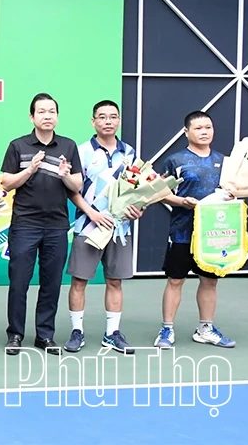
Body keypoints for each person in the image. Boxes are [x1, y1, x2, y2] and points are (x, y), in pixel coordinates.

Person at [0, 93, 82, 356]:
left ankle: (45, 335)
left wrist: (65, 175)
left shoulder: (68, 146)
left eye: (51, 111)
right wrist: (29, 170)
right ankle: (15, 334)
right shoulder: (18, 146)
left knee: (52, 283)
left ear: (57, 116)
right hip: (25, 224)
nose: (47, 116)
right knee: (19, 282)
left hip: (57, 226)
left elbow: (77, 185)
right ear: (31, 116)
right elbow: (5, 183)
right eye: (42, 112)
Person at [64, 100, 143, 354]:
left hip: (119, 228)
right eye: (102, 117)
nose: (108, 121)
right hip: (88, 226)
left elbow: (138, 190)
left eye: (112, 116)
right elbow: (72, 190)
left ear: (119, 120)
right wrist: (92, 214)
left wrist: (138, 209)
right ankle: (77, 331)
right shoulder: (82, 151)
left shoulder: (129, 153)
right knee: (79, 281)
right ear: (93, 121)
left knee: (115, 281)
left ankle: (112, 333)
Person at [155, 111, 235, 349]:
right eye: (198, 128)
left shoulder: (225, 162)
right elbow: (159, 192)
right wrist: (181, 201)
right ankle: (167, 329)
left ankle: (205, 329)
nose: (204, 132)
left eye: (208, 127)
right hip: (182, 232)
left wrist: (231, 195)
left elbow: (232, 191)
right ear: (186, 132)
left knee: (210, 281)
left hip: (213, 234)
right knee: (175, 281)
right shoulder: (175, 161)